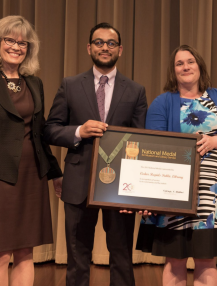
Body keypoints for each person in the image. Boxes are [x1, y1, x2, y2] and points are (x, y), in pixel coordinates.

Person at [43, 22, 147, 286]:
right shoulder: (70, 85)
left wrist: (137, 189)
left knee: (122, 255)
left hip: (121, 186)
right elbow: (50, 130)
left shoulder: (135, 91)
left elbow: (140, 140)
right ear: (89, 47)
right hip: (78, 183)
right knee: (78, 256)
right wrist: (78, 131)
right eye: (98, 42)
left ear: (120, 50)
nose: (104, 47)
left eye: (111, 43)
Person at [136, 45, 217, 286]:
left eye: (190, 61)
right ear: (173, 71)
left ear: (199, 66)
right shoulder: (163, 102)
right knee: (175, 259)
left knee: (207, 260)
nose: (185, 67)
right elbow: (151, 150)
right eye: (179, 63)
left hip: (213, 191)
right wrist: (148, 197)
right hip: (173, 191)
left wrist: (215, 140)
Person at [0, 15, 63, 286]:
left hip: (33, 176)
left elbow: (40, 134)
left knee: (25, 251)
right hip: (0, 178)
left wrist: (55, 173)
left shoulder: (34, 83)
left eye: (23, 43)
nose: (16, 47)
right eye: (10, 40)